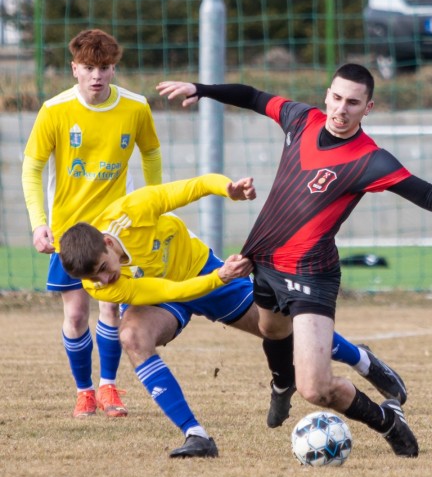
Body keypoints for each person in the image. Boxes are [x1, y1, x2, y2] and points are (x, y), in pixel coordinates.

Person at [157, 63, 432, 457]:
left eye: (353, 103)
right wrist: (201, 88)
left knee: (317, 388)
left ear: (369, 108)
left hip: (312, 273)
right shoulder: (301, 119)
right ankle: (281, 383)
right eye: (336, 97)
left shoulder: (371, 160)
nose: (341, 109)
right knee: (272, 331)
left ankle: (387, 421)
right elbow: (254, 97)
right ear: (326, 95)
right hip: (264, 261)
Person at [58, 173, 409, 458]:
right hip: (176, 292)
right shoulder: (99, 286)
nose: (104, 280)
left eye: (103, 268)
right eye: (94, 278)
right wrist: (220, 277)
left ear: (107, 242)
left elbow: (191, 187)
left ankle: (364, 361)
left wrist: (227, 189)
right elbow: (169, 293)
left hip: (201, 268)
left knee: (277, 326)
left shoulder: (132, 210)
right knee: (132, 336)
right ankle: (196, 435)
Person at [22, 29, 163, 419]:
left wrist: (153, 206)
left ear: (114, 68)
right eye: (88, 68)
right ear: (74, 69)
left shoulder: (135, 108)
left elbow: (151, 154)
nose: (96, 75)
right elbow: (32, 168)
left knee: (112, 309)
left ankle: (109, 387)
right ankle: (84, 391)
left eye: (103, 67)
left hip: (115, 228)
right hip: (69, 231)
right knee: (75, 315)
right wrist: (39, 223)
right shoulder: (55, 110)